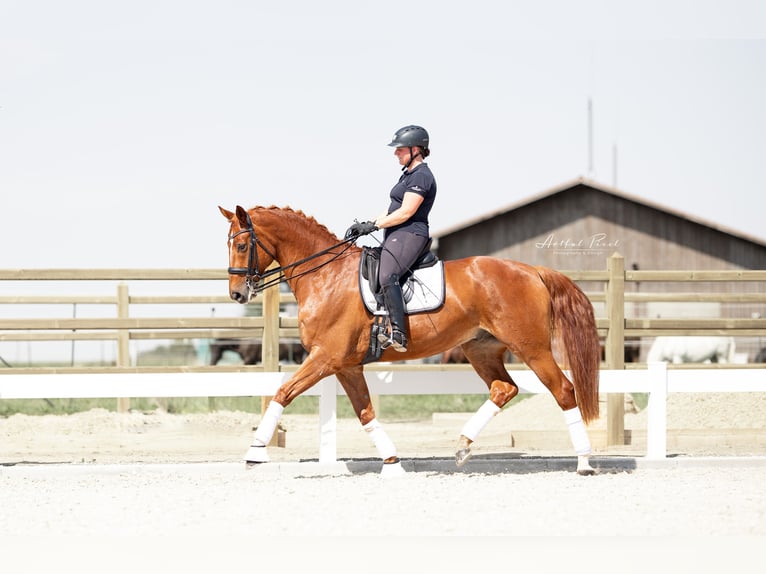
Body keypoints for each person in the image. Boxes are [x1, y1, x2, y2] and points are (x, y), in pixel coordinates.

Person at [345, 125, 437, 352]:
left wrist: (374, 225)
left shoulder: (422, 176)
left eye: (400, 149)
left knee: (387, 274)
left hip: (411, 233)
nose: (396, 153)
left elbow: (406, 212)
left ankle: (398, 333)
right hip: (397, 234)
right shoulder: (408, 175)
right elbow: (391, 211)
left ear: (416, 149)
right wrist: (366, 224)